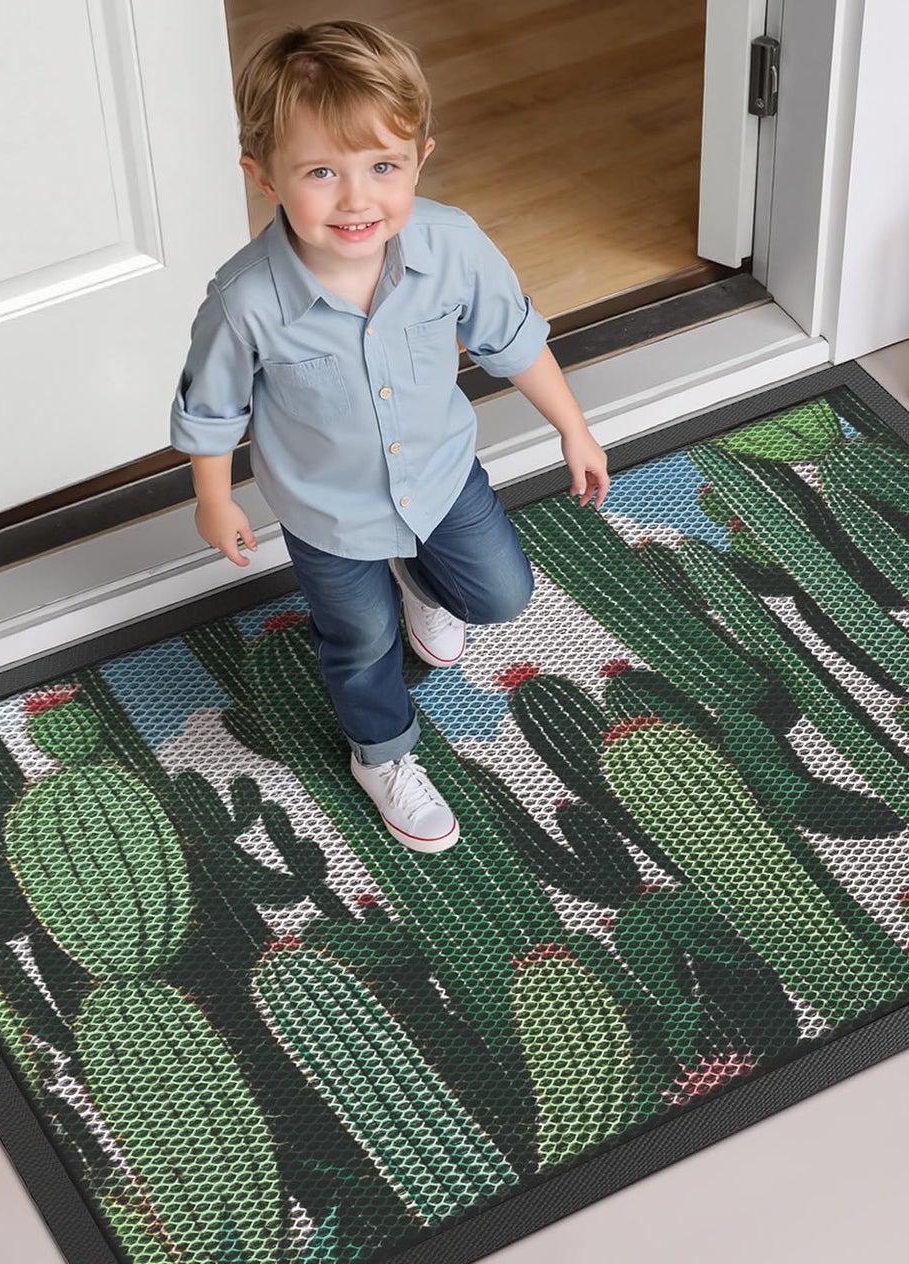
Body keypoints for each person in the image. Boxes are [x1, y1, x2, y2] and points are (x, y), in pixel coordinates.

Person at [170, 19, 610, 854]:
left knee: (500, 595)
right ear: (261, 176)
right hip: (327, 512)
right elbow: (213, 407)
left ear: (420, 157)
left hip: (441, 478)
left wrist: (573, 429)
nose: (356, 198)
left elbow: (512, 339)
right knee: (359, 639)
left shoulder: (452, 246)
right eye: (321, 173)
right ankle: (381, 752)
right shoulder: (244, 301)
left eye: (383, 167)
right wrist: (213, 497)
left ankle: (424, 585)